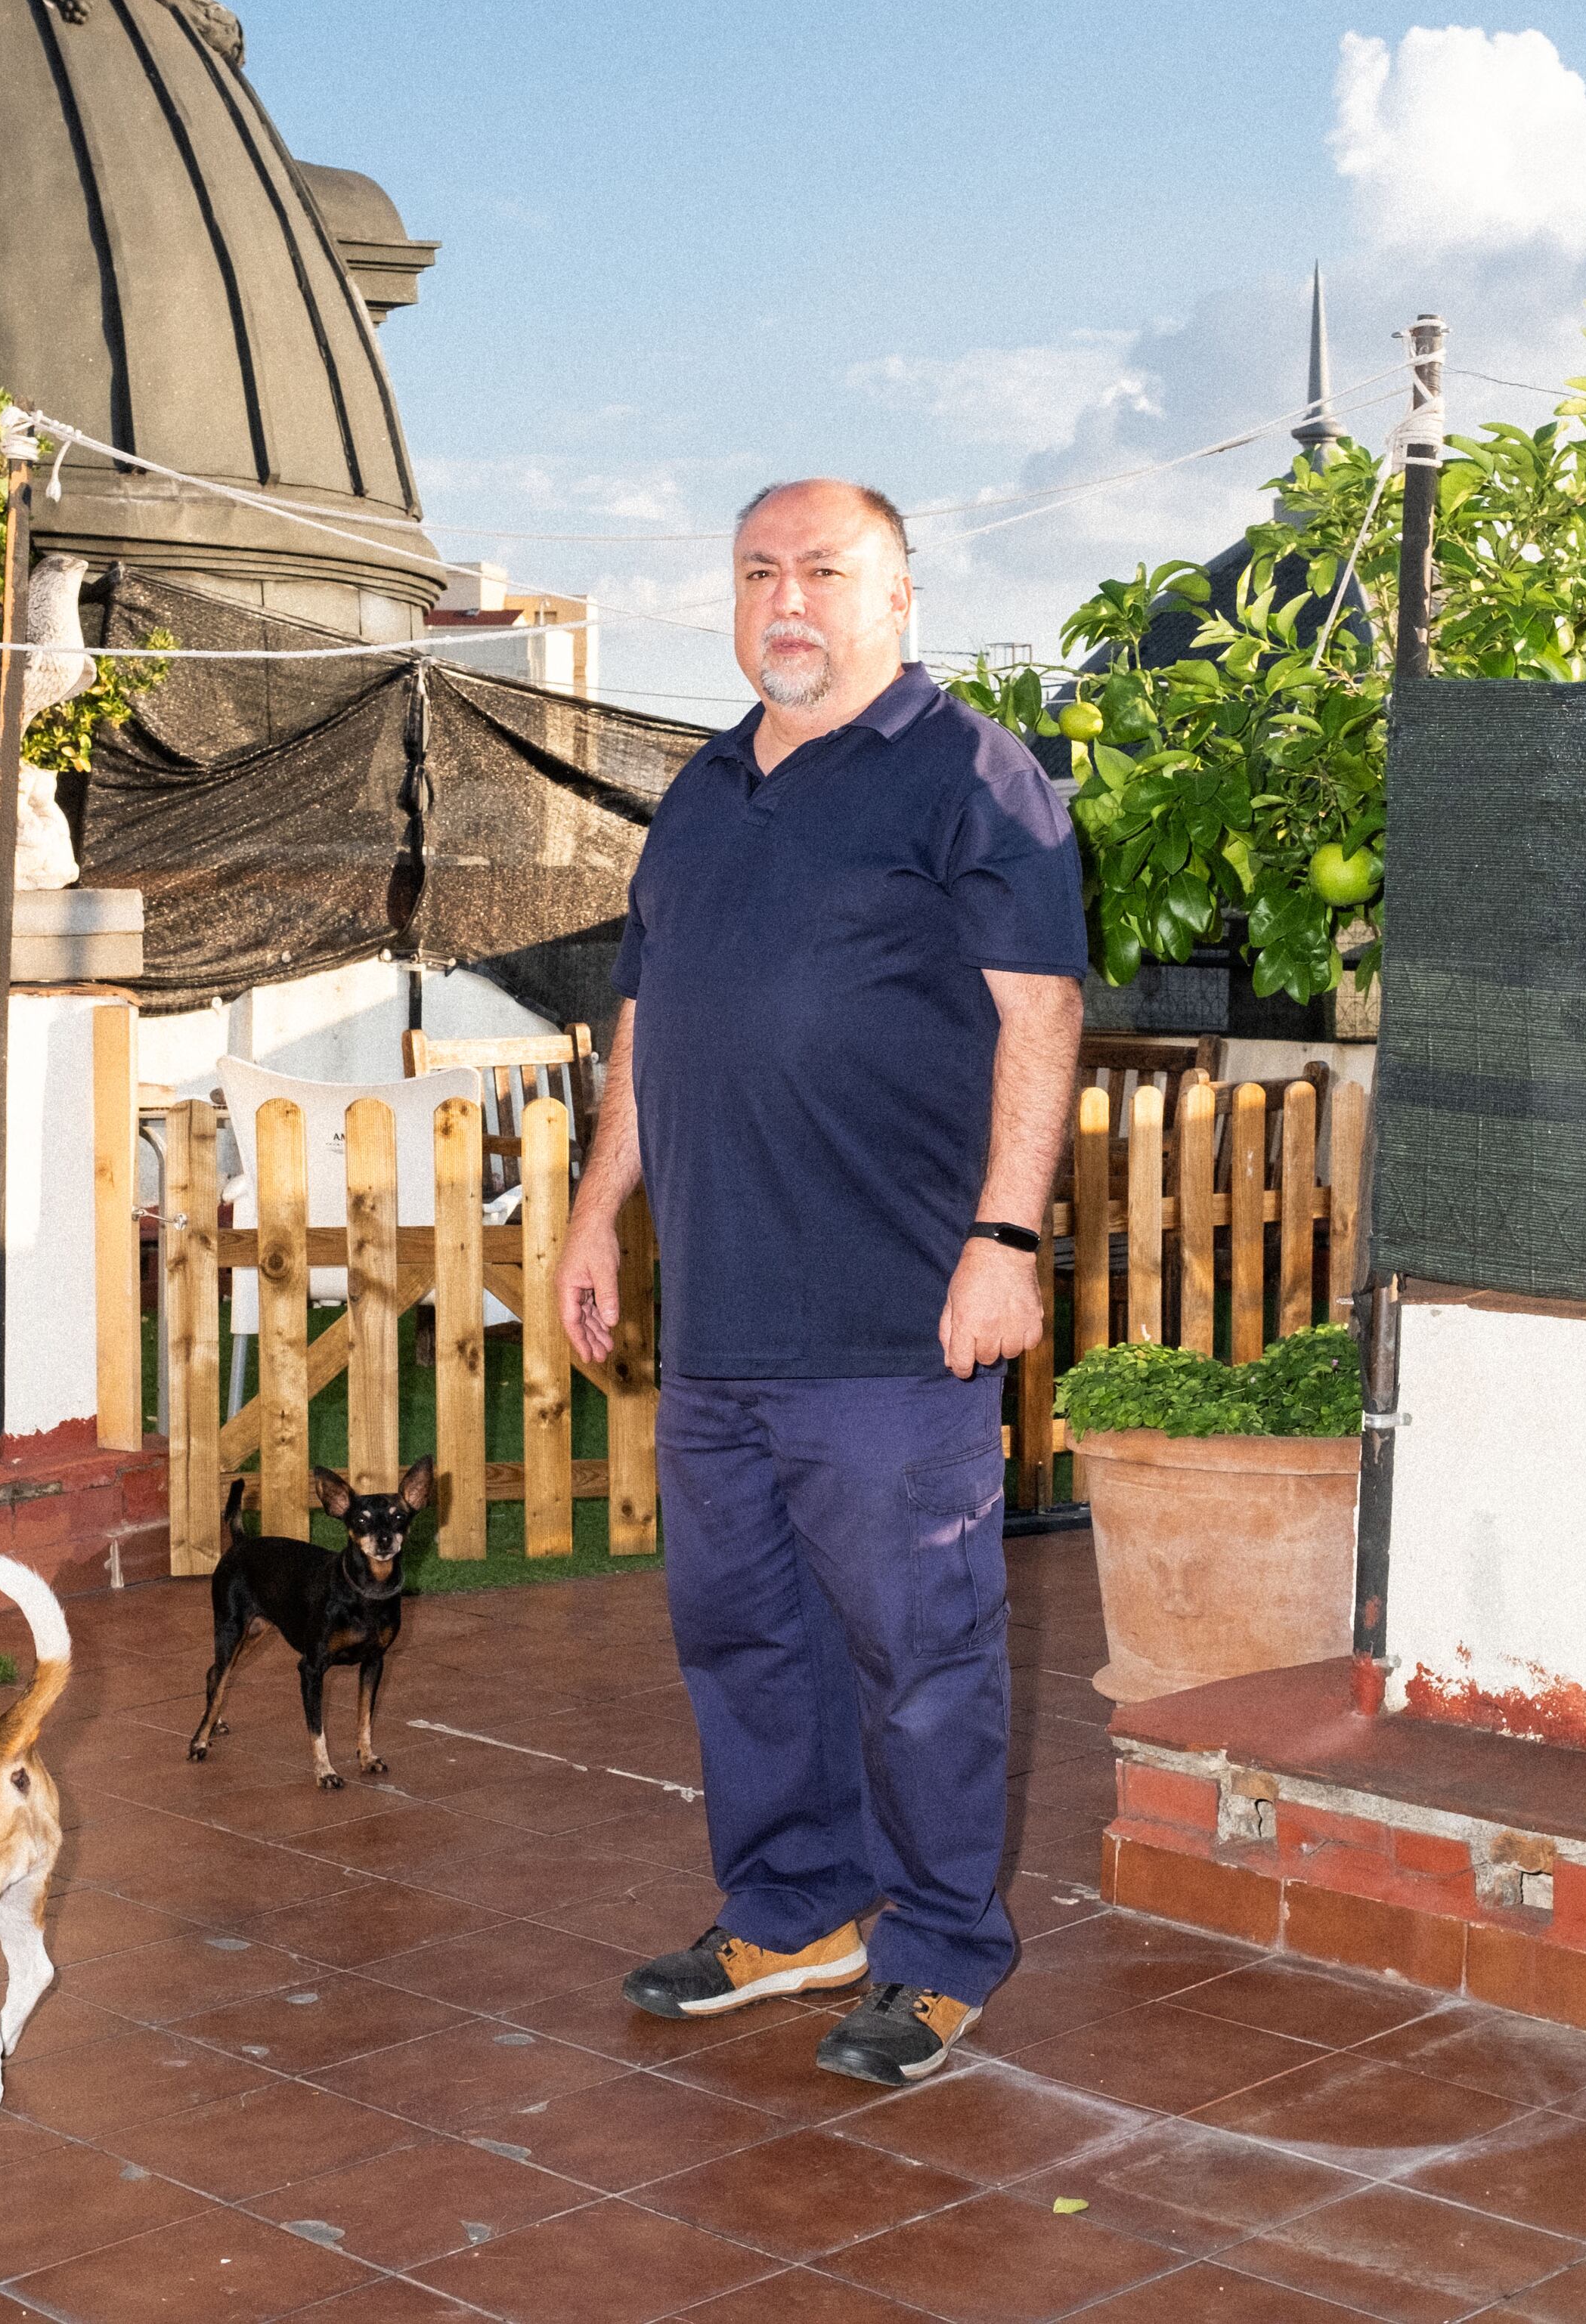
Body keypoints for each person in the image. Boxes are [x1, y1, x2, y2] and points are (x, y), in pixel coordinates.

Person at [553, 477, 1083, 2087]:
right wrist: (595, 1214)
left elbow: (1040, 1017)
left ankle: (934, 1948)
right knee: (744, 1636)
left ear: (899, 596)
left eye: (825, 570)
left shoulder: (972, 775)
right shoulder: (702, 791)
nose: (788, 596)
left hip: (894, 1315)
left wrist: (1005, 1239)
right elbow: (651, 1019)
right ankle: (793, 1907)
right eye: (758, 569)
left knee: (918, 1651)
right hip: (720, 1312)